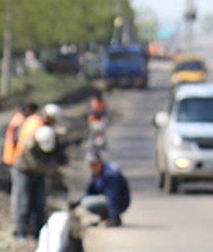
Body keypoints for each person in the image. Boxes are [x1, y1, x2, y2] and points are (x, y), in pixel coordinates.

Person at [12, 103, 63, 240]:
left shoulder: (48, 132)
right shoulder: (33, 136)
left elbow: (57, 156)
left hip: (38, 173)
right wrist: (49, 167)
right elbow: (32, 162)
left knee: (39, 203)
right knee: (24, 201)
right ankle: (20, 232)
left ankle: (38, 232)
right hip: (23, 170)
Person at [72, 149, 130, 228]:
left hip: (120, 202)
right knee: (84, 200)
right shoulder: (96, 173)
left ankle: (113, 217)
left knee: (87, 202)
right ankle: (108, 217)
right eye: (90, 164)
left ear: (100, 162)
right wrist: (76, 203)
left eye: (94, 164)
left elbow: (113, 196)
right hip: (109, 199)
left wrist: (114, 217)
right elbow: (90, 191)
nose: (92, 167)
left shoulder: (110, 174)